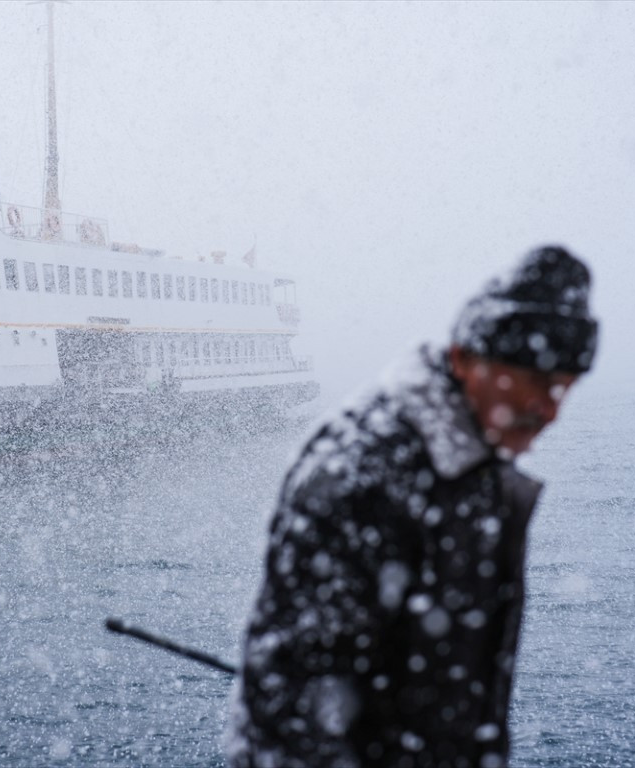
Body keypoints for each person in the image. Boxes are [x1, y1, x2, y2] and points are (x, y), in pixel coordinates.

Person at [227, 246, 599, 768]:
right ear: (464, 359)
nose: (550, 410)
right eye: (534, 381)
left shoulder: (471, 463)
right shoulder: (363, 477)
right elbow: (288, 713)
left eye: (563, 386)